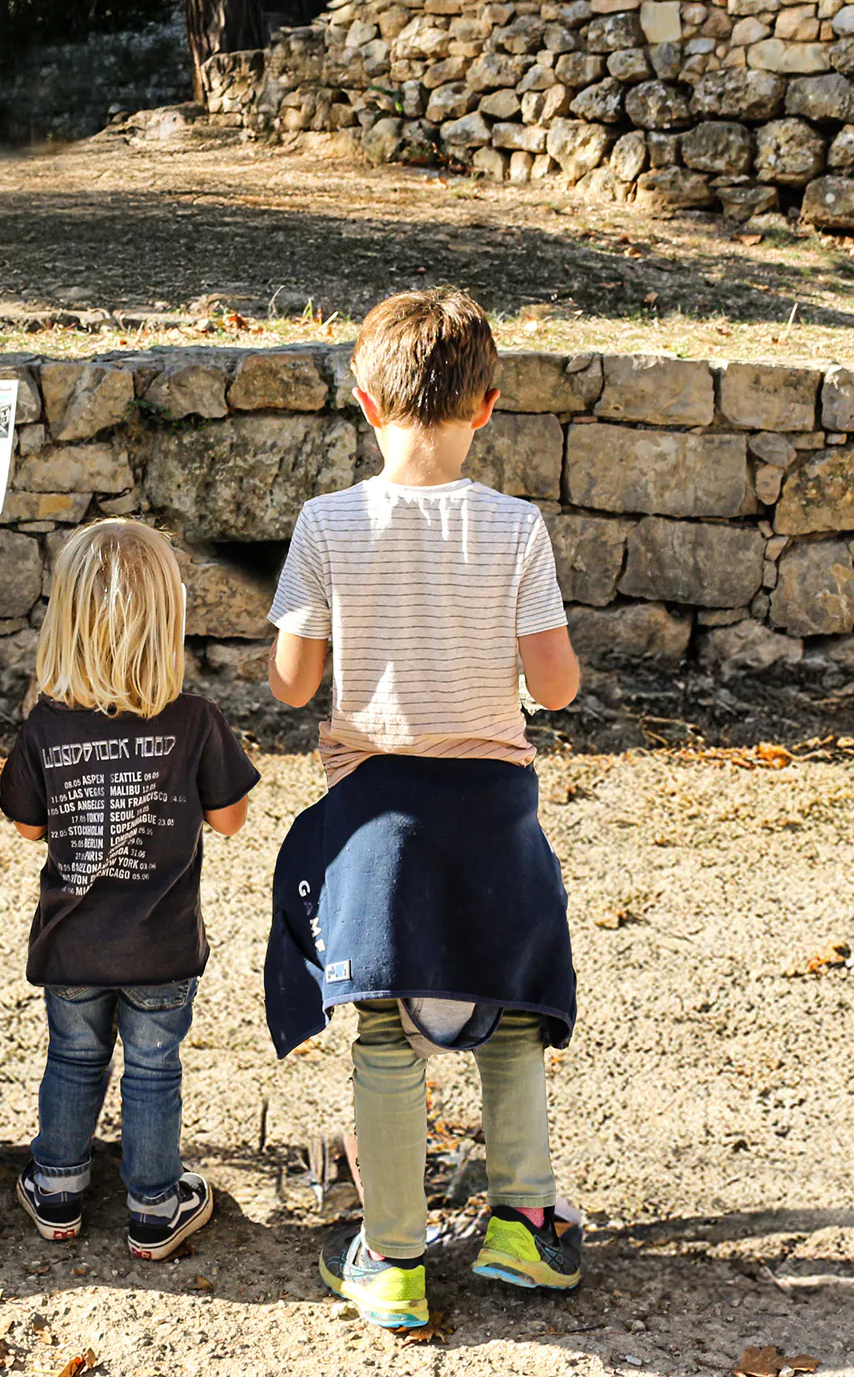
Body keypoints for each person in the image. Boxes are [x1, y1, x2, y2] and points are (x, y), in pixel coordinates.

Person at [262, 288, 585, 1329]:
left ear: (365, 402)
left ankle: (393, 1256)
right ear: (487, 406)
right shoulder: (518, 527)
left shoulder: (327, 523)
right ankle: (522, 1227)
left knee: (384, 1032)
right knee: (515, 1013)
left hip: (376, 814)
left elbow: (291, 682)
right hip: (492, 805)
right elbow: (560, 684)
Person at [0, 518, 260, 1260]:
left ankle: (57, 1189)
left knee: (73, 1059)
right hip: (162, 947)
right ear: (166, 619)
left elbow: (26, 828)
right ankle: (153, 1205)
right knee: (154, 1067)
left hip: (73, 945)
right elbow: (232, 819)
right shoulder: (196, 720)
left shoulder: (43, 726)